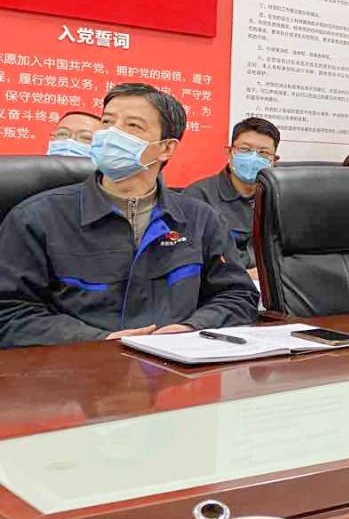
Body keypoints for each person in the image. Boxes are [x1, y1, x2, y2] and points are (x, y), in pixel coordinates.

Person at [0, 83, 259, 348]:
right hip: (78, 364)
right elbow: (9, 313)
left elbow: (238, 296)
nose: (112, 133)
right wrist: (101, 341)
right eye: (107, 122)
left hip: (175, 364)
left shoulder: (200, 219)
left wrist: (190, 328)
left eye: (133, 125)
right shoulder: (36, 217)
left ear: (166, 148)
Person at [184, 117, 281, 271]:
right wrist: (244, 274)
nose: (253, 158)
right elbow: (192, 254)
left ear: (274, 161)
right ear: (229, 152)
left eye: (263, 152)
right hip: (221, 280)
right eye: (245, 149)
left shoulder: (281, 198)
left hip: (271, 280)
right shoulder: (198, 196)